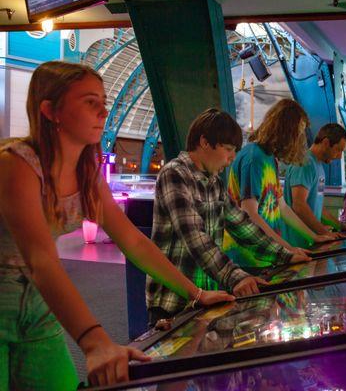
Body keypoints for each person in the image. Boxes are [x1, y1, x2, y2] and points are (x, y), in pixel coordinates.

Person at [0, 61, 234, 389]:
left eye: (103, 102)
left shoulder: (87, 175)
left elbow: (133, 242)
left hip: (38, 305)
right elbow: (40, 260)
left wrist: (195, 294)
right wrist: (95, 341)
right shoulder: (16, 164)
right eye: (89, 102)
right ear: (50, 110)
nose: (102, 111)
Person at [146, 108, 309, 326]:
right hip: (173, 300)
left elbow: (242, 225)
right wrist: (236, 277)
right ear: (205, 142)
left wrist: (285, 255)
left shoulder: (215, 183)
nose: (232, 158)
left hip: (206, 296)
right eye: (228, 149)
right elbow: (195, 238)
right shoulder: (174, 174)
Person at [226, 99, 333, 268]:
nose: (300, 139)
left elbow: (282, 207)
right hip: (247, 258)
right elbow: (250, 214)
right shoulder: (254, 157)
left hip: (267, 255)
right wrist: (287, 249)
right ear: (284, 130)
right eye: (297, 133)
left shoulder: (270, 159)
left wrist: (314, 236)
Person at [283, 123, 346, 247]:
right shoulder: (305, 164)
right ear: (326, 143)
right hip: (296, 243)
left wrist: (339, 225)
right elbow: (299, 205)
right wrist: (324, 232)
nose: (339, 156)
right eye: (338, 150)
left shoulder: (319, 167)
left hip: (310, 242)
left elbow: (318, 206)